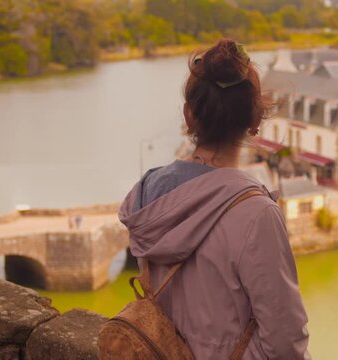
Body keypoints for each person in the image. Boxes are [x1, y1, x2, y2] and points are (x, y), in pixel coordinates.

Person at [118, 39, 310, 359]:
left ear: (188, 115)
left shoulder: (148, 194)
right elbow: (285, 341)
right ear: (255, 120)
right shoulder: (256, 213)